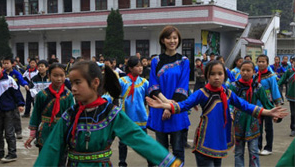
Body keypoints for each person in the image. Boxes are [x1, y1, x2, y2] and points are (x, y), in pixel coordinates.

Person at [34, 61, 182, 166]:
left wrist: (169, 162)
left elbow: (138, 138)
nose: (72, 88)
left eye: (78, 83)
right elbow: (51, 148)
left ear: (95, 82)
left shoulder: (110, 113)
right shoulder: (70, 115)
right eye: (71, 83)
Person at [146, 60, 288, 167]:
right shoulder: (201, 93)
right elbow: (183, 105)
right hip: (205, 141)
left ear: (224, 76)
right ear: (207, 76)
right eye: (212, 74)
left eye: (220, 74)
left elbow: (245, 106)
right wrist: (166, 105)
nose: (216, 77)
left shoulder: (227, 93)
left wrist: (268, 112)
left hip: (219, 142)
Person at [147, 25, 190, 164]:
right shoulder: (156, 61)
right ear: (163, 40)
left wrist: (169, 107)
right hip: (160, 109)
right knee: (161, 149)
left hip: (176, 110)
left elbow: (182, 88)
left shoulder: (184, 61)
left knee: (178, 149)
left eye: (175, 38)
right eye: (169, 38)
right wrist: (166, 104)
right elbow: (153, 86)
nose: (172, 41)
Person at [229, 60, 274, 167]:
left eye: (248, 70)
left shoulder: (258, 87)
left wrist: (274, 113)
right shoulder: (234, 86)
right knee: (239, 152)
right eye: (243, 70)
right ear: (240, 71)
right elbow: (229, 101)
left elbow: (266, 103)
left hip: (253, 122)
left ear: (254, 72)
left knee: (254, 151)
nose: (245, 73)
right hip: (238, 122)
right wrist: (230, 112)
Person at [24, 63, 74, 153]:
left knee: (61, 158)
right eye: (55, 75)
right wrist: (32, 134)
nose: (59, 79)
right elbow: (36, 113)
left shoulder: (68, 95)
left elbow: (71, 116)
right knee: (45, 157)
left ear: (65, 76)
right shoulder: (42, 95)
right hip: (45, 131)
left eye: (61, 75)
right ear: (49, 76)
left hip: (62, 130)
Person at [118, 56, 152, 166]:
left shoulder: (144, 82)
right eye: (137, 66)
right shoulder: (122, 81)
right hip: (126, 117)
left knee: (144, 142)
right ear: (130, 68)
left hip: (141, 117)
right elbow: (112, 94)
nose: (140, 68)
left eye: (141, 65)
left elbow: (152, 96)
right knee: (123, 142)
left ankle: (151, 163)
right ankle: (122, 162)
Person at [254, 54, 282, 156]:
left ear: (267, 63)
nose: (261, 63)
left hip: (269, 106)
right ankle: (257, 146)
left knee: (268, 128)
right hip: (257, 106)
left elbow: (275, 91)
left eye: (263, 62)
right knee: (258, 127)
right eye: (259, 61)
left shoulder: (271, 77)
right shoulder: (255, 76)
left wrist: (277, 108)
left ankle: (268, 148)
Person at [3, 57, 29, 139]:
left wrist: (25, 84)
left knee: (16, 115)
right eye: (4, 63)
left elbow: (21, 80)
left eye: (7, 63)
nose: (6, 65)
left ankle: (18, 131)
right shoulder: (2, 73)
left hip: (14, 97)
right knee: (5, 116)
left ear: (12, 64)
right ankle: (7, 131)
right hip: (5, 97)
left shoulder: (16, 73)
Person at [278, 56, 295, 137]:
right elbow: (282, 79)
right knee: (293, 114)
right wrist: (276, 86)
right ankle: (293, 129)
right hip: (292, 96)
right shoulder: (289, 71)